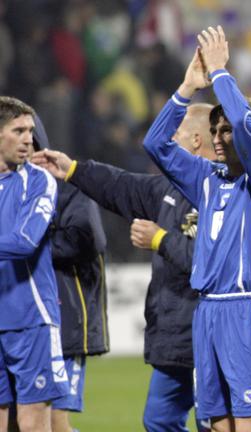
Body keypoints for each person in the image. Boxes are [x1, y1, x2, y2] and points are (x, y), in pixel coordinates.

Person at [31, 103, 216, 432]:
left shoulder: (224, 192)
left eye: (176, 134)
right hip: (174, 336)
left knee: (215, 424)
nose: (168, 141)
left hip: (211, 332)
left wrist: (160, 240)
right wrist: (73, 169)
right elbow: (120, 185)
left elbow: (214, 265)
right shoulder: (168, 190)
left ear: (197, 141)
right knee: (158, 422)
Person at [142, 26, 251, 432]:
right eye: (215, 131)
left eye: (227, 131)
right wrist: (188, 86)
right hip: (206, 313)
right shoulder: (208, 178)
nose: (219, 138)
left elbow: (243, 122)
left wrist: (222, 73)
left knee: (250, 424)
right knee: (216, 426)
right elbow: (155, 144)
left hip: (245, 310)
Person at [30, 114, 109, 432]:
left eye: (27, 134)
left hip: (65, 324)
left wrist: (24, 244)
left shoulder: (67, 187)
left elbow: (88, 240)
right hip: (21, 324)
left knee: (56, 422)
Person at [0, 96, 68, 431]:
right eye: (19, 130)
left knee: (33, 424)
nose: (29, 138)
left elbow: (24, 241)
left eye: (30, 130)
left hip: (31, 319)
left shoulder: (39, 181)